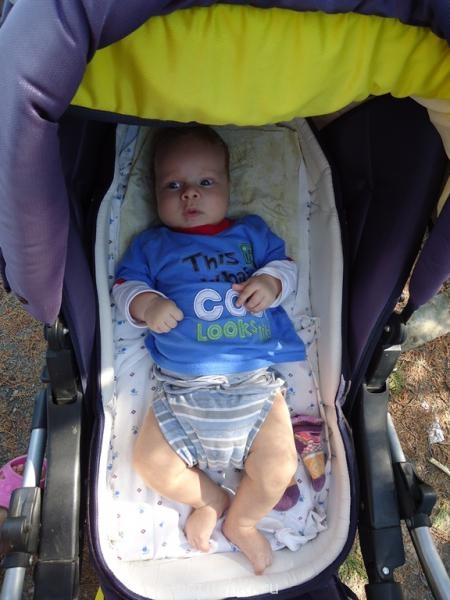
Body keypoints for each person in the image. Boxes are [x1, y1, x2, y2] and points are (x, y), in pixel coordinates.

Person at [112, 125, 306, 575]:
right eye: (173, 185)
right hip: (181, 390)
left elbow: (286, 268)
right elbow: (125, 286)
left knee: (279, 466)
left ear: (228, 186)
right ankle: (210, 500)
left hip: (252, 386)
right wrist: (147, 305)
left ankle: (243, 521)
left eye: (205, 181)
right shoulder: (152, 245)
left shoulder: (250, 233)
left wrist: (269, 282)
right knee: (150, 461)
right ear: (154, 192)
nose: (189, 194)